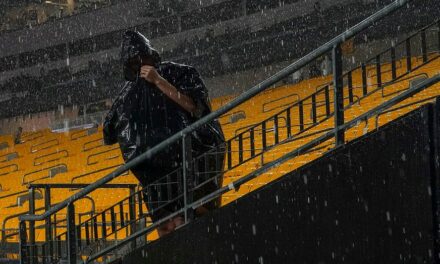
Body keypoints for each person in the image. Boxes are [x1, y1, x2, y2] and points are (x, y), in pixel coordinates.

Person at [103, 30, 225, 237]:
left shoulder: (178, 73)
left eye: (143, 59)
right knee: (168, 226)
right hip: (155, 175)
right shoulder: (128, 94)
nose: (140, 65)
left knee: (197, 217)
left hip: (191, 163)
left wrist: (158, 81)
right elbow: (109, 133)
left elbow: (195, 107)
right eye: (134, 62)